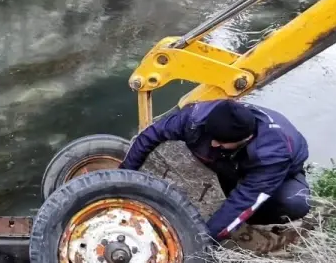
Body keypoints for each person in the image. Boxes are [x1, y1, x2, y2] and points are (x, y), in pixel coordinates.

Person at [120, 99, 310, 242]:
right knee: (223, 177)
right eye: (212, 136)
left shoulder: (272, 154)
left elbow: (244, 202)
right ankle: (225, 189)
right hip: (229, 161)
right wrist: (122, 176)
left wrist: (200, 241)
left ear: (246, 139)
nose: (213, 143)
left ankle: (253, 222)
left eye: (221, 142)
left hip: (275, 174)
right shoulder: (198, 116)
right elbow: (150, 136)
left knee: (294, 202)